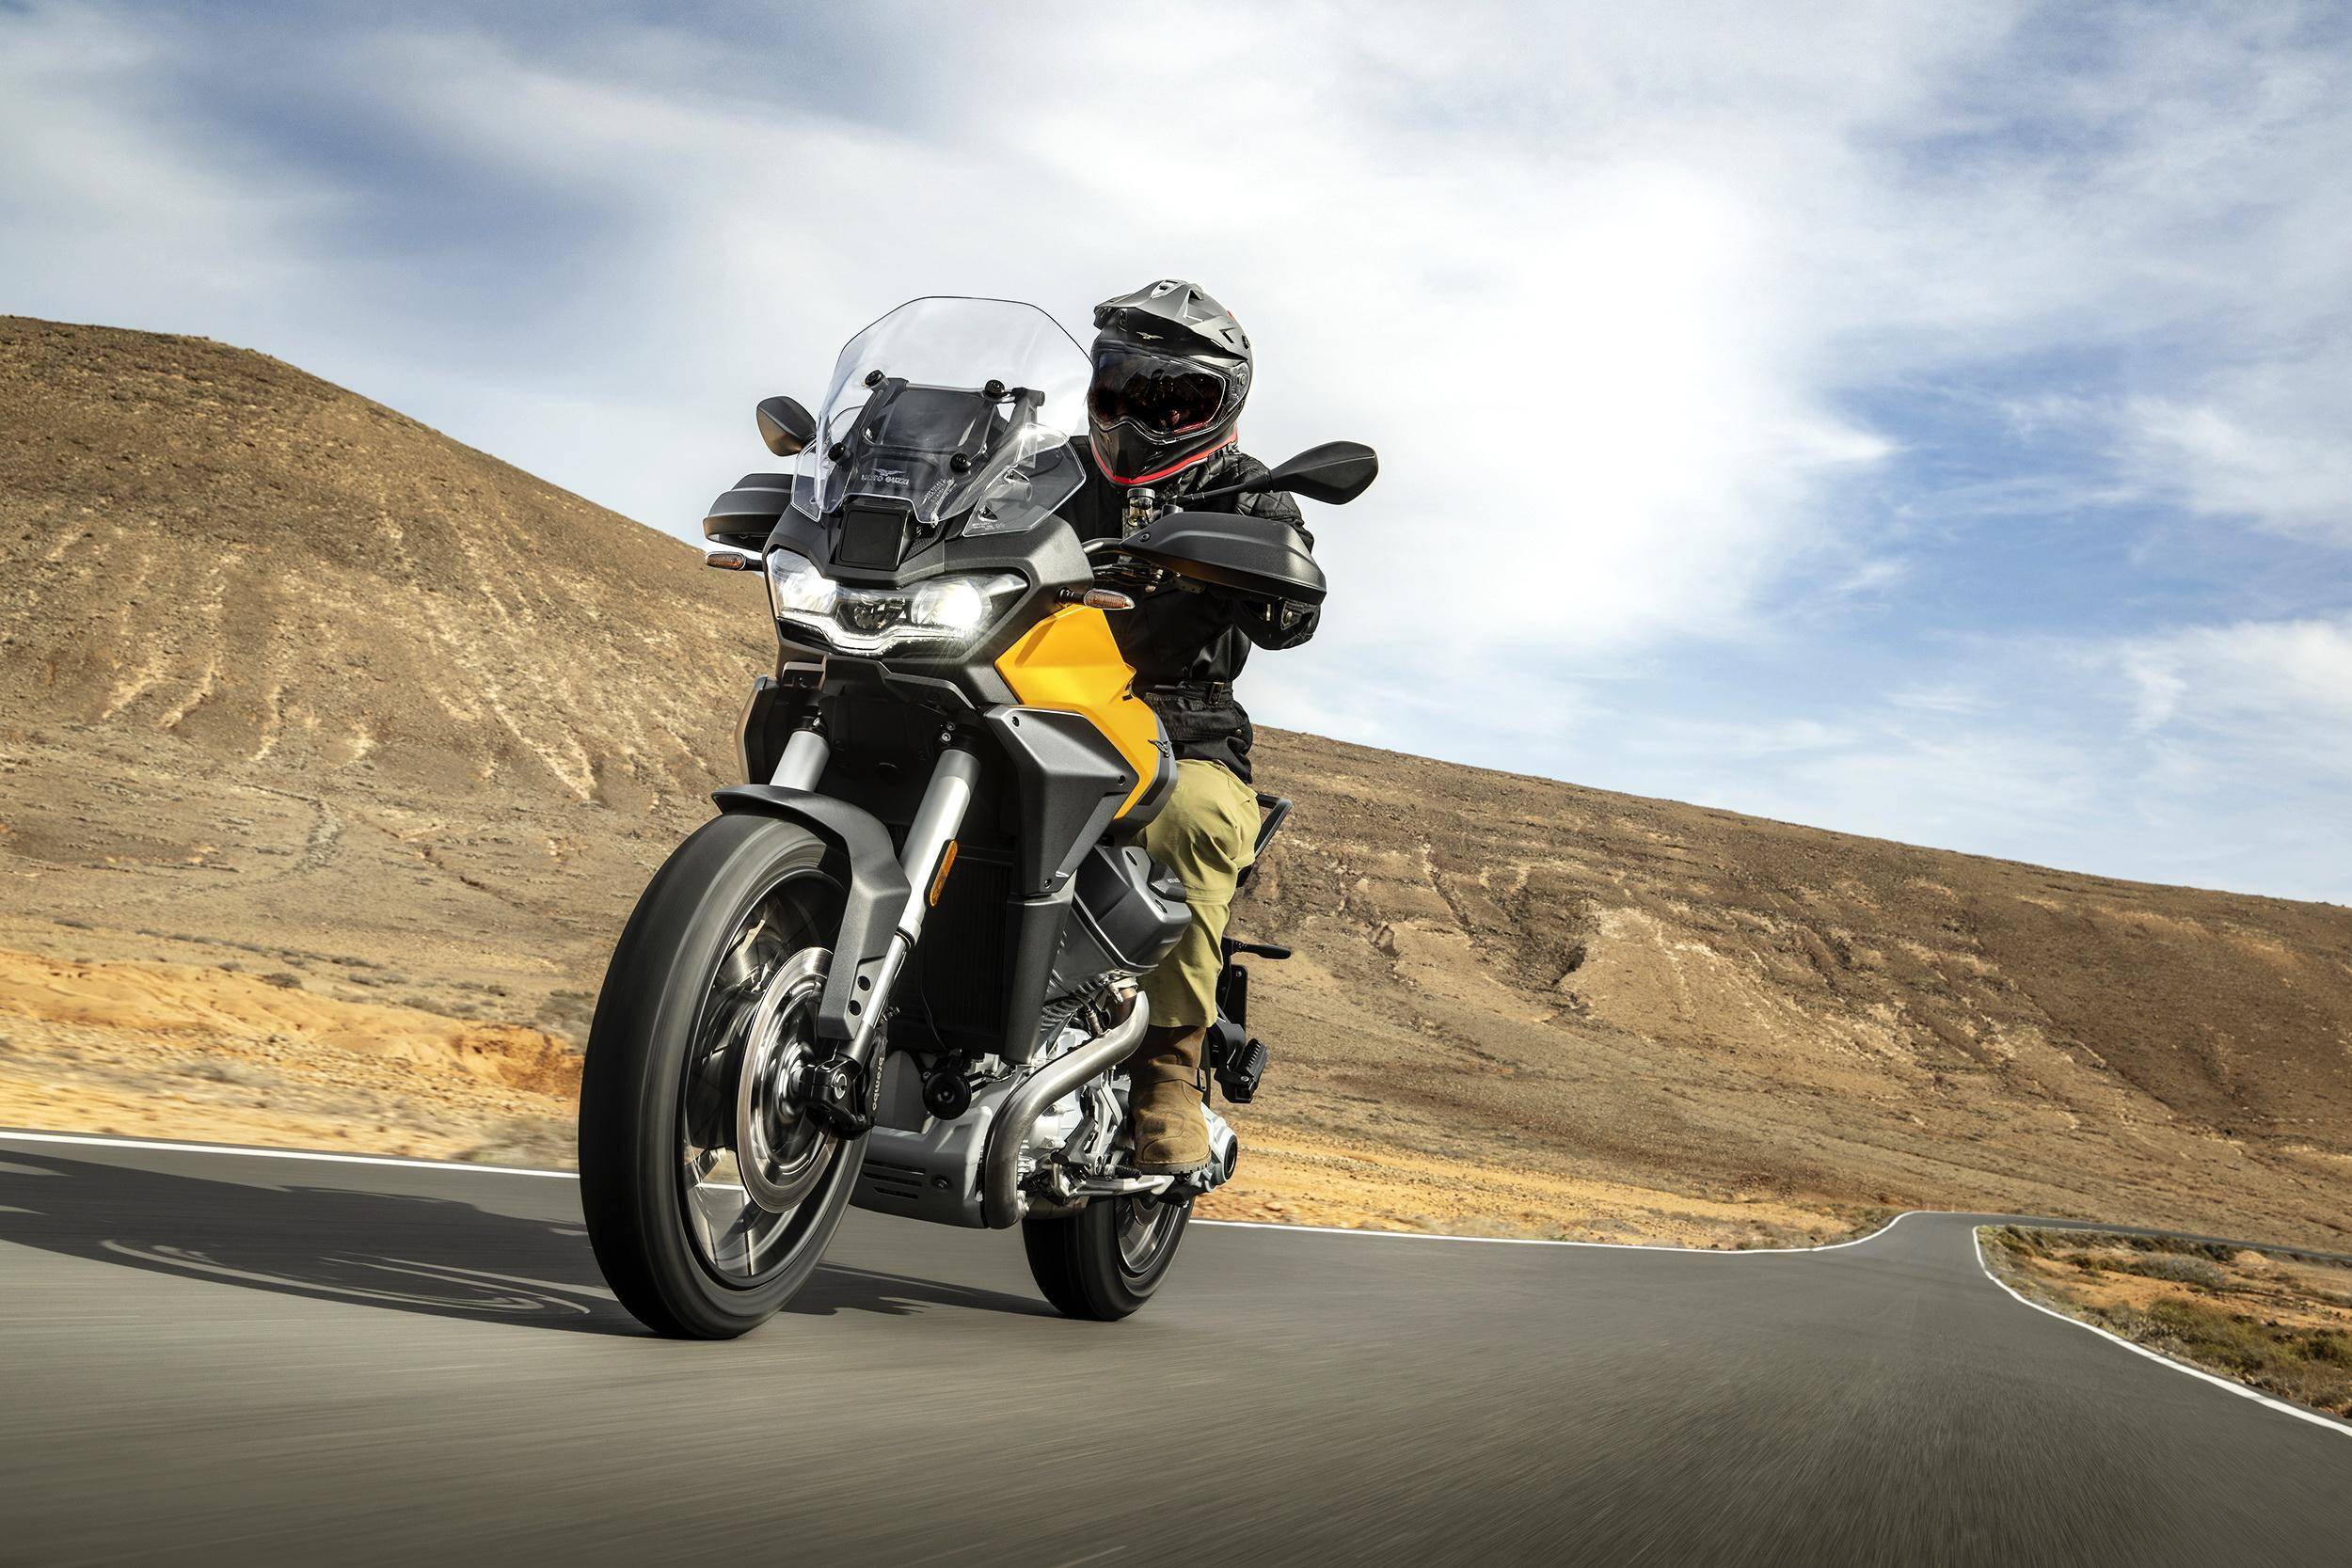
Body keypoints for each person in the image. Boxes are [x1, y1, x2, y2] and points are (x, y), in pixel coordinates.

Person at [1061, 279, 1320, 1185]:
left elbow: (1293, 618)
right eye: (1122, 390)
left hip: (1182, 729)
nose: (1142, 416)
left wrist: (1267, 575)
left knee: (1190, 816)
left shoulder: (1251, 495)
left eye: (1173, 398)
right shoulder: (1051, 474)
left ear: (1219, 407)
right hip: (1038, 695)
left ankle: (1167, 1074)